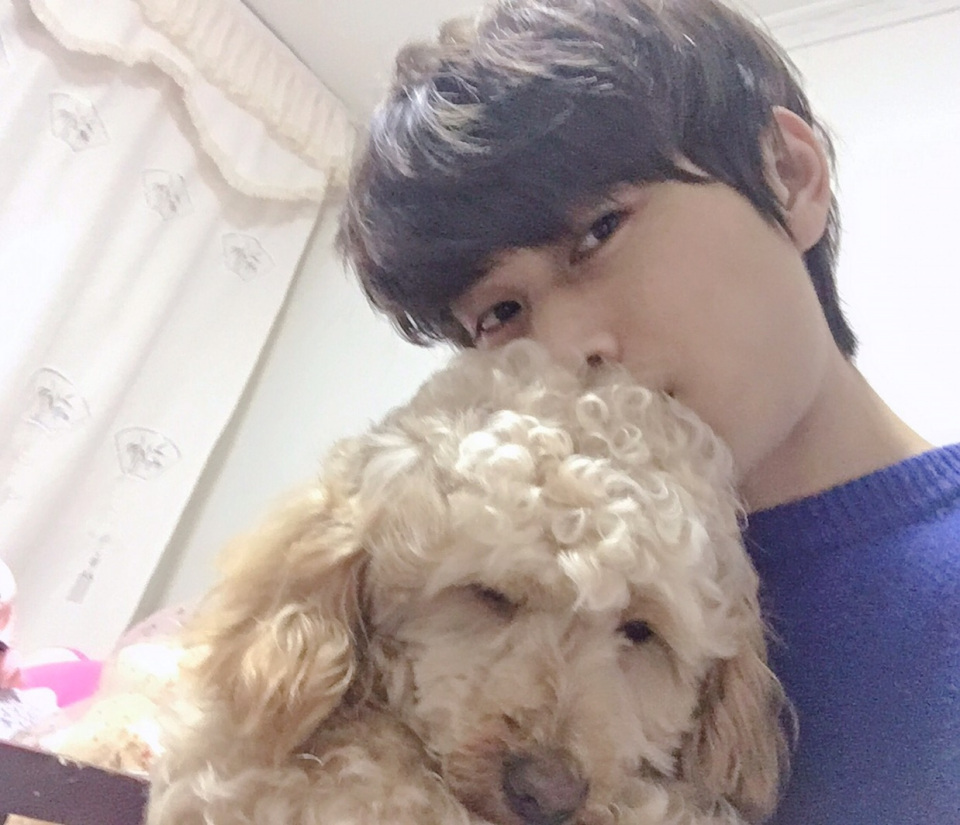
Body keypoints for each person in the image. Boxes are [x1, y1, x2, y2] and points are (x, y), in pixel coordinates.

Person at [335, 1, 960, 822]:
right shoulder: (433, 589)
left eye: (600, 231)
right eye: (499, 313)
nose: (565, 350)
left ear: (788, 174)